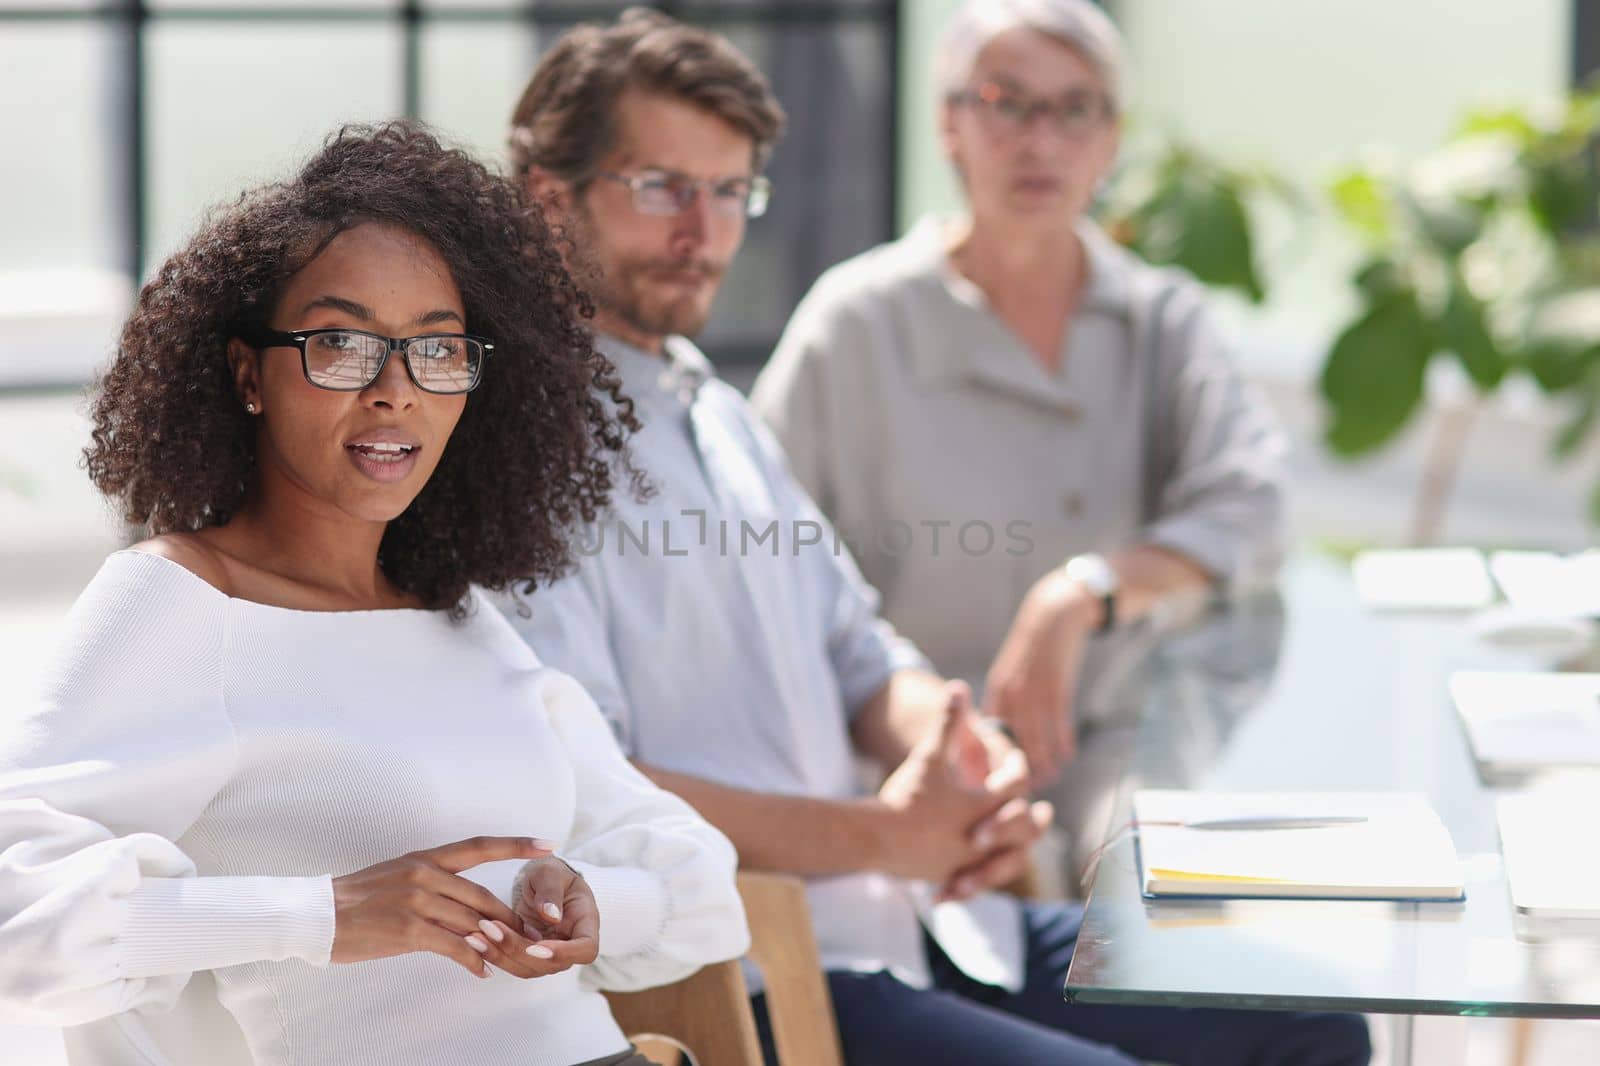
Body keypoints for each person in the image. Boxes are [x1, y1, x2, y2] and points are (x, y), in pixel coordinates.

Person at [499, 10, 1367, 1065]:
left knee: (1312, 1020)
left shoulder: (718, 414)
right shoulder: (519, 454)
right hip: (769, 973)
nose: (704, 230)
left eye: (730, 192)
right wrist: (887, 834)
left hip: (925, 924)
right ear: (550, 197)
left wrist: (964, 763)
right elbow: (600, 788)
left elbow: (859, 654)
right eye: (660, 187)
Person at [0, 122, 746, 1066]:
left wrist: (596, 898)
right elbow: (15, 919)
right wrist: (321, 915)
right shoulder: (182, 604)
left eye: (437, 351)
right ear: (247, 373)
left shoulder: (459, 616)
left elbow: (697, 880)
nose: (396, 391)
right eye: (342, 344)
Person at [750, 0, 1289, 869]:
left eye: (1074, 110)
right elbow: (760, 557)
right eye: (1005, 101)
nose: (1040, 142)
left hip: (1109, 750)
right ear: (948, 125)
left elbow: (1253, 502)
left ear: (1110, 141)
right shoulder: (857, 322)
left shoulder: (1160, 321)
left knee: (1149, 914)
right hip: (902, 758)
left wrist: (1080, 595)